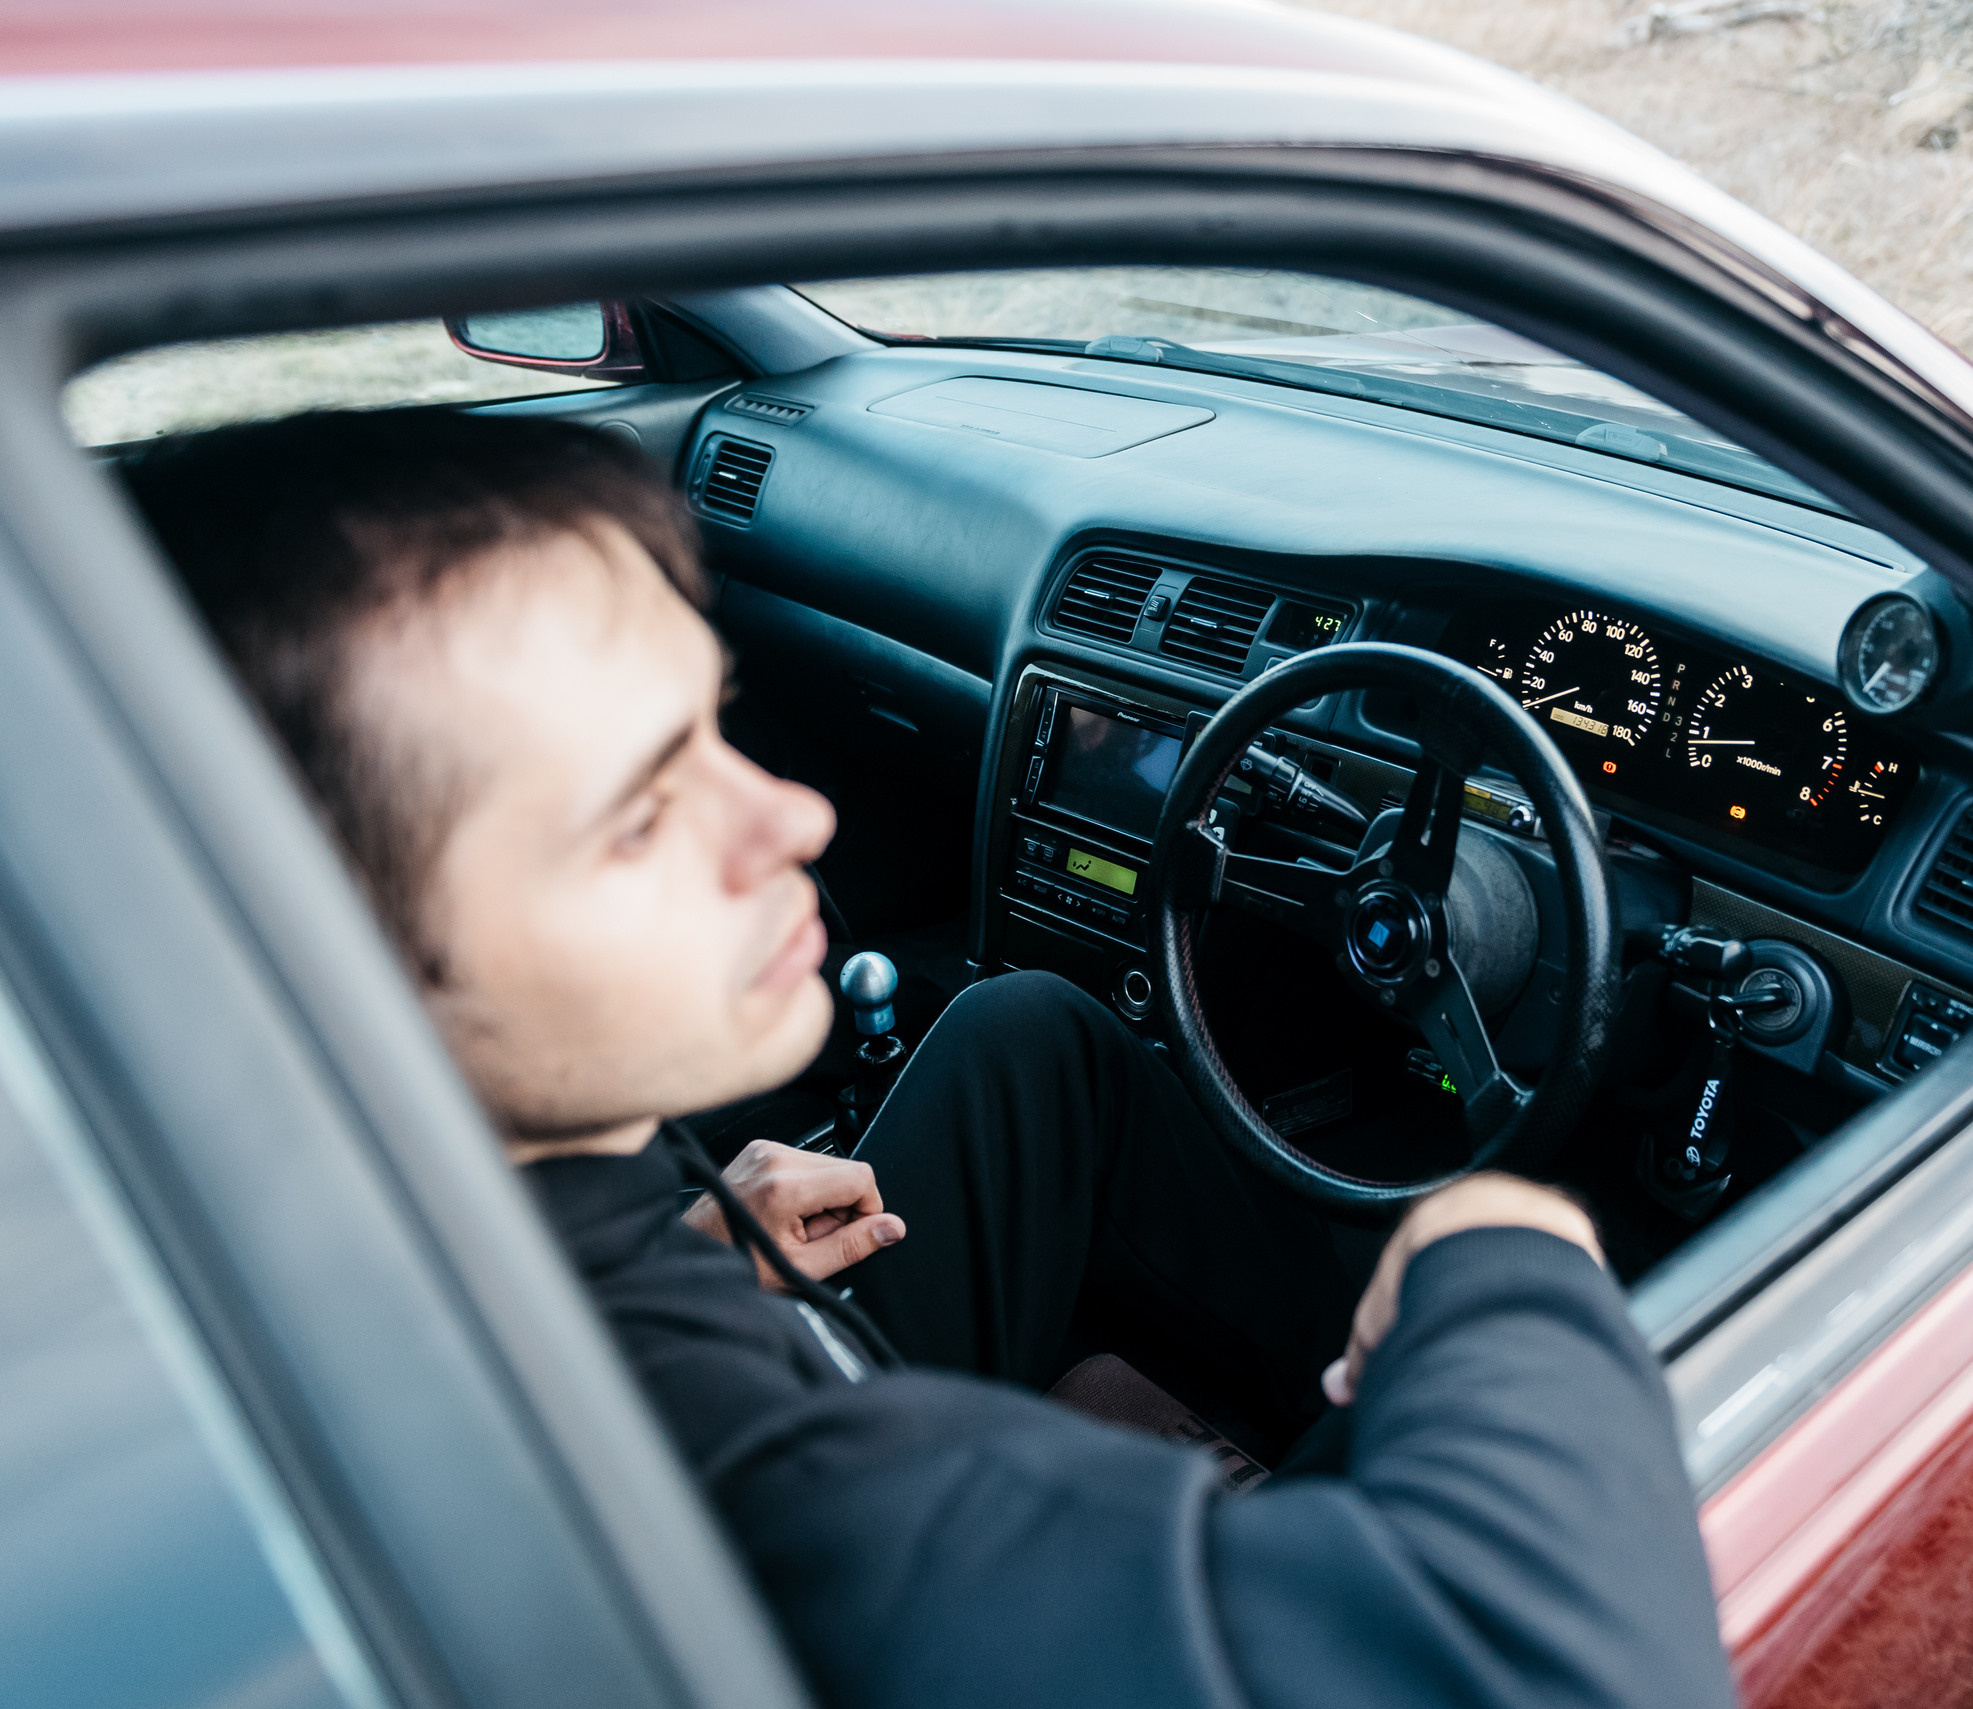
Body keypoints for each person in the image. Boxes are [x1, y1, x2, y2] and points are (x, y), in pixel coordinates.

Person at [126, 406, 1732, 1709]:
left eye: (714, 730)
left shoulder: (371, 1253)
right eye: (639, 811)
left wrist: (701, 1254)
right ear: (310, 958)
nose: (793, 819)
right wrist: (1501, 1254)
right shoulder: (688, 1452)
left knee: (1032, 1037)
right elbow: (1549, 1671)